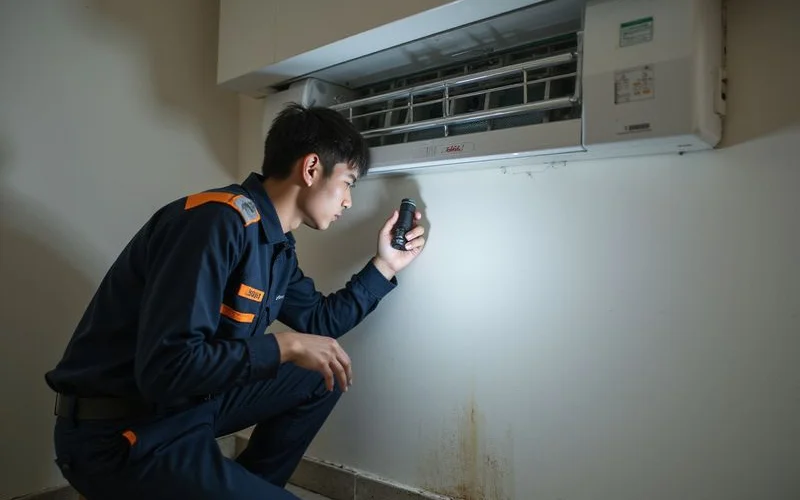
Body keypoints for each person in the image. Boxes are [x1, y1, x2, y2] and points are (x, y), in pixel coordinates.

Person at [44, 103, 426, 499]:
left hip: (183, 410)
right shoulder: (213, 223)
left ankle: (250, 488)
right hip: (120, 434)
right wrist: (284, 345)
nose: (348, 201)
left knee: (322, 372)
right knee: (302, 357)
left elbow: (321, 321)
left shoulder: (273, 244)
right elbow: (166, 369)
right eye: (348, 182)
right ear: (312, 168)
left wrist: (385, 265)